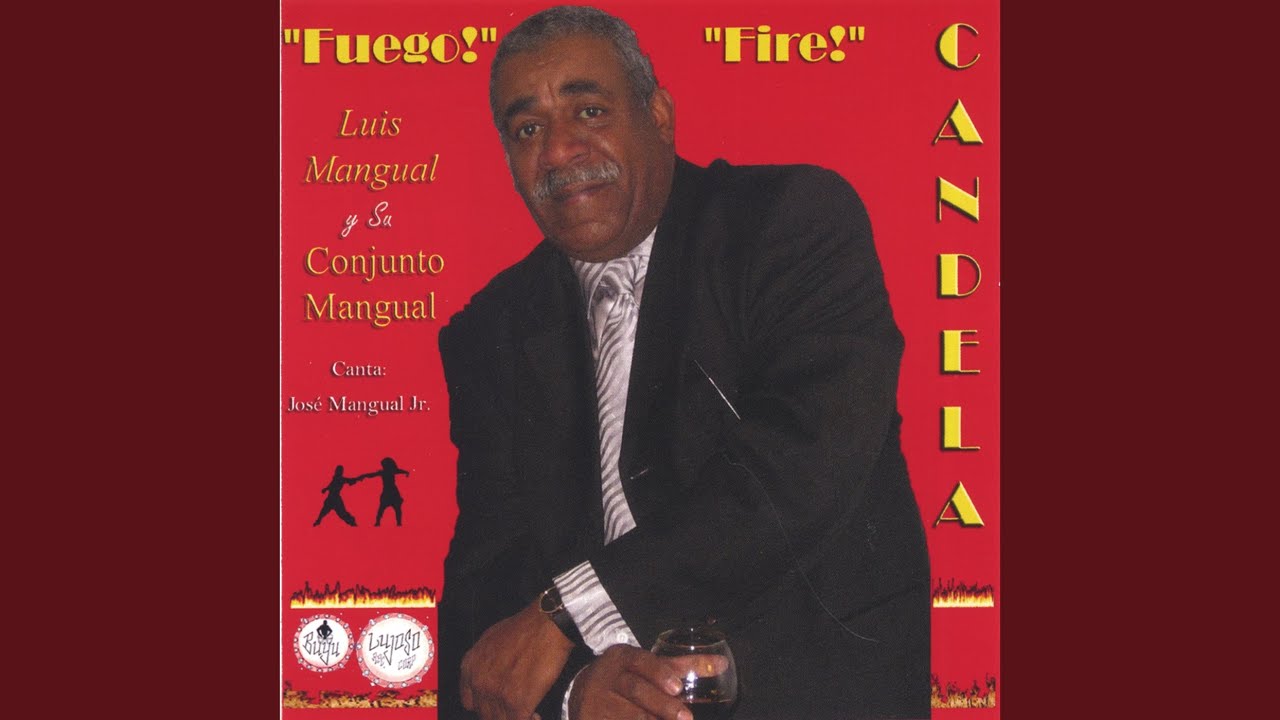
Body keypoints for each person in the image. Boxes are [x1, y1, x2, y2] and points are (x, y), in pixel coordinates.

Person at [437, 6, 930, 719]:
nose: (559, 150)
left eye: (589, 110)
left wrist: (570, 611)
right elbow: (486, 590)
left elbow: (796, 470)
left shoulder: (791, 221)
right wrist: (576, 693)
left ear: (659, 116)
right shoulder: (491, 328)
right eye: (527, 130)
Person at [355, 457, 411, 527]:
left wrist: (363, 476)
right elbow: (372, 475)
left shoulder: (385, 472)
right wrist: (406, 472)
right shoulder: (390, 471)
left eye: (384, 465)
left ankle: (381, 522)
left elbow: (371, 475)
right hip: (391, 492)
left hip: (390, 492)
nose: (383, 466)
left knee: (387, 508)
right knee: (392, 508)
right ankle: (390, 522)